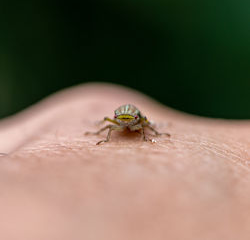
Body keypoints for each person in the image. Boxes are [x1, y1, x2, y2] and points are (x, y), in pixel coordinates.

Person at [0, 83, 249, 240]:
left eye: (132, 120)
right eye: (124, 120)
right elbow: (110, 123)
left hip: (138, 118)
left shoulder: (136, 121)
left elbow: (144, 124)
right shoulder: (117, 121)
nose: (128, 123)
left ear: (134, 118)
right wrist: (101, 135)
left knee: (146, 125)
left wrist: (152, 135)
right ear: (121, 117)